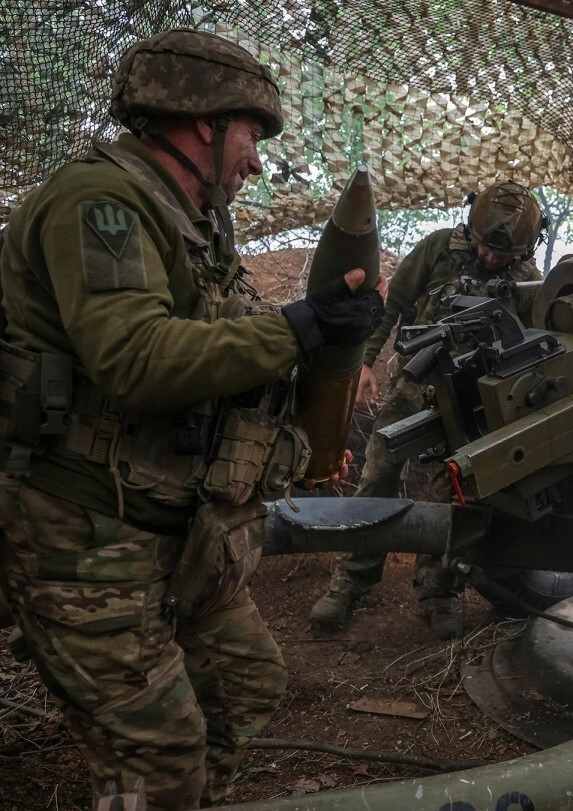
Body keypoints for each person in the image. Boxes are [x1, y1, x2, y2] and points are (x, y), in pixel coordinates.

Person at [0, 29, 384, 810]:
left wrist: (311, 414)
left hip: (176, 534)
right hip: (84, 539)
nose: (257, 160)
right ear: (204, 122)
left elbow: (230, 344)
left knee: (246, 686)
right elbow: (137, 357)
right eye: (251, 135)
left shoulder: (196, 219)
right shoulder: (99, 201)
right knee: (164, 753)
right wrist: (303, 326)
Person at [309, 181, 545, 638]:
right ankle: (351, 581)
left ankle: (441, 590)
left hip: (476, 402)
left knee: (456, 493)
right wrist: (365, 365)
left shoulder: (528, 280)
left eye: (506, 255)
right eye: (486, 249)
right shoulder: (439, 248)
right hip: (416, 387)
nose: (494, 259)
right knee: (377, 474)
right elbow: (392, 304)